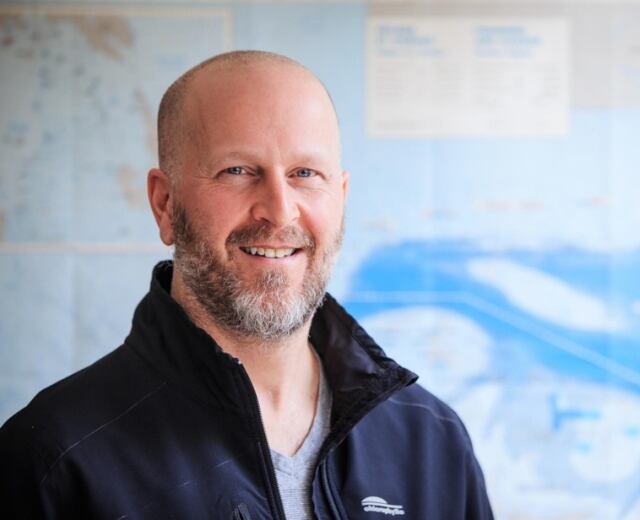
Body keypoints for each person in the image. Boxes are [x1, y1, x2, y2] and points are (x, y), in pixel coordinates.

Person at [0, 50, 493, 519]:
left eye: (305, 173)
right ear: (165, 204)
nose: (279, 211)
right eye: (237, 171)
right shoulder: (54, 458)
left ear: (340, 197)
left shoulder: (432, 442)